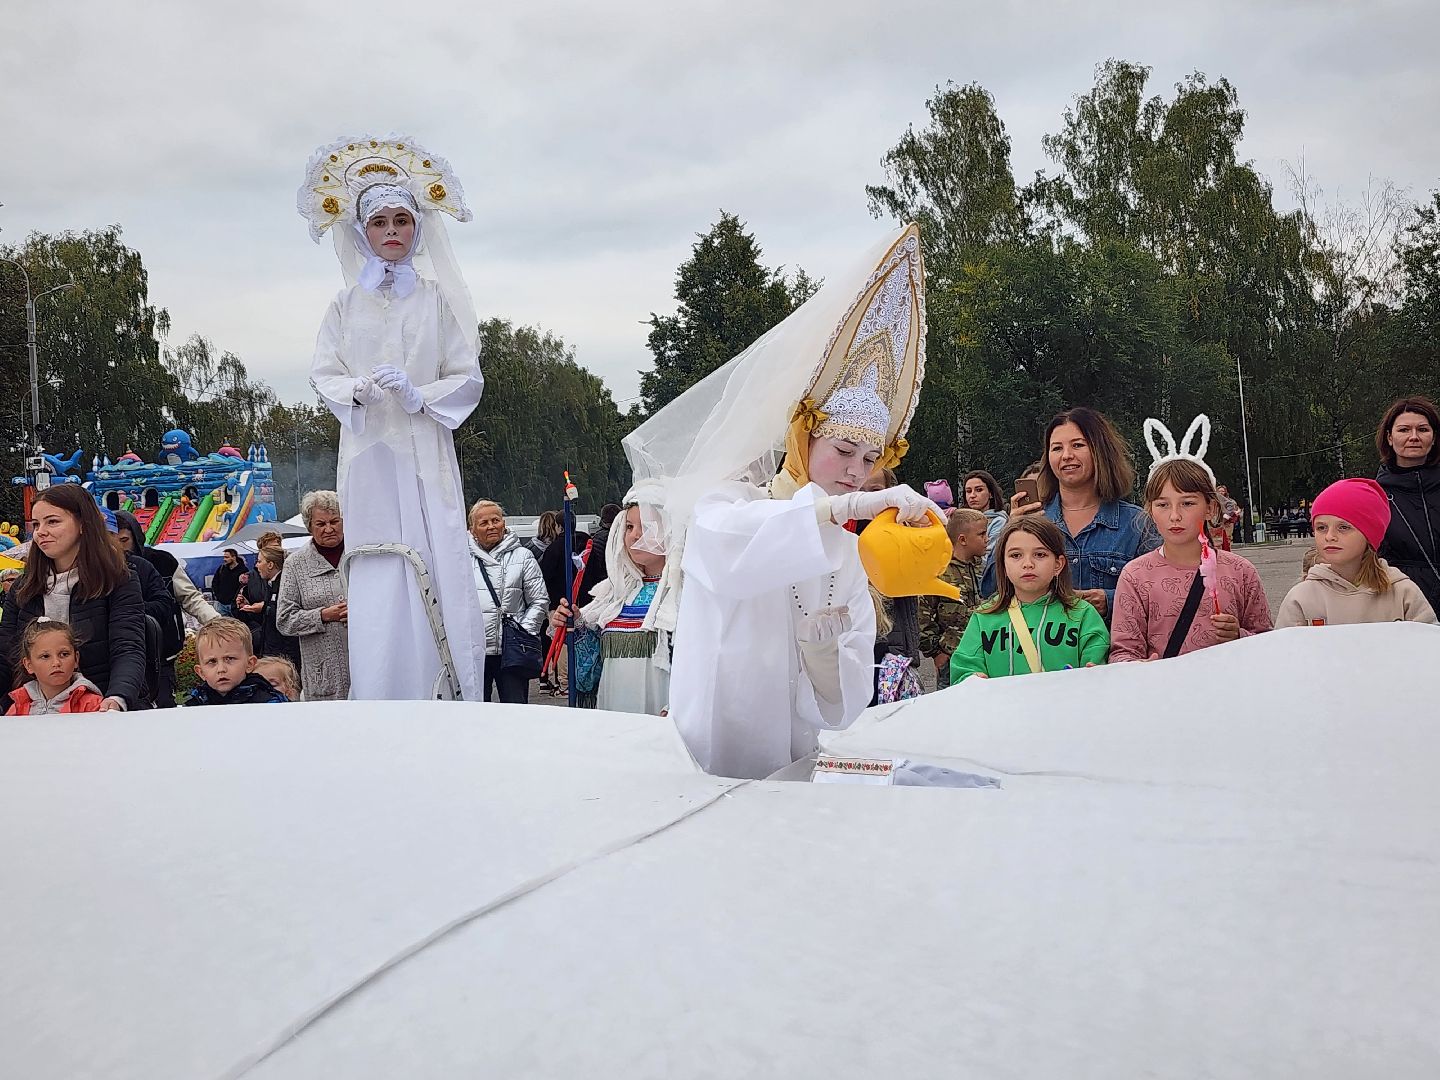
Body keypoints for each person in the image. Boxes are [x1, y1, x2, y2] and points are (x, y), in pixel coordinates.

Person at [626, 224, 936, 779]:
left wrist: (825, 668)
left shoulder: (845, 554)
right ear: (802, 439)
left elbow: (845, 700)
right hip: (710, 751)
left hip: (793, 761)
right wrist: (842, 510)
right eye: (843, 450)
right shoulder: (729, 502)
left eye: (869, 461)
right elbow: (726, 545)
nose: (856, 473)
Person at [301, 134, 488, 701]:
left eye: (402, 220)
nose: (390, 232)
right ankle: (381, 688)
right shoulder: (344, 303)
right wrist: (354, 390)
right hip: (367, 454)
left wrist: (420, 397)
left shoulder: (435, 300)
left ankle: (444, 682)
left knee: (432, 550)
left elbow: (467, 374)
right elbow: (322, 369)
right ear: (361, 229)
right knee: (378, 562)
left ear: (417, 227)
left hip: (423, 449)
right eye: (379, 221)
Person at [1110, 442, 1272, 662]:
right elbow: (1123, 651)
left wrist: (1238, 635)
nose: (1174, 515)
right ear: (1150, 509)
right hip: (1164, 693)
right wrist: (1138, 667)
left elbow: (1268, 644)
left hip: (1228, 691)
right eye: (1163, 505)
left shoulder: (1241, 572)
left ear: (1210, 508)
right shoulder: (1136, 576)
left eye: (1187, 503)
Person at [998, 407, 1157, 621]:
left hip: (1114, 651)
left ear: (1100, 451)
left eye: (1078, 445)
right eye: (1056, 448)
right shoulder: (1031, 520)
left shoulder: (1138, 524)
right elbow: (991, 589)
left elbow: (1160, 594)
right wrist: (1010, 531)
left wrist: (1111, 600)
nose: (1066, 456)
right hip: (1038, 651)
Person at [0, 484, 145, 710]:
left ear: (82, 525)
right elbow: (5, 656)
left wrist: (118, 697)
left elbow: (128, 647)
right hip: (32, 714)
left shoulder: (119, 581)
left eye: (52, 521)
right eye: (37, 524)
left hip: (98, 710)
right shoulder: (22, 589)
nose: (41, 532)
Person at [551, 482, 674, 715]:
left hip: (661, 714)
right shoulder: (613, 594)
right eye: (629, 526)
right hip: (615, 710)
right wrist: (575, 625)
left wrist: (679, 707)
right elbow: (590, 675)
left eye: (646, 527)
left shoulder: (683, 594)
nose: (635, 535)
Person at [950, 516, 1109, 683]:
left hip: (1065, 707)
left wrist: (1095, 675)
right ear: (1003, 565)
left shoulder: (1083, 615)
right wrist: (971, 681)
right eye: (1016, 555)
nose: (1028, 563)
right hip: (1003, 708)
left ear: (1058, 564)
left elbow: (1097, 671)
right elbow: (963, 668)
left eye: (1040, 554)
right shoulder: (984, 617)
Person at [1276, 478, 1437, 628]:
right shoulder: (1301, 598)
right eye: (1321, 527)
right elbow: (1283, 654)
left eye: (1344, 527)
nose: (1330, 536)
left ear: (1370, 534)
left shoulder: (1403, 593)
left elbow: (1429, 648)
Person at [469, 500, 548, 704]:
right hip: (475, 651)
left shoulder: (523, 556)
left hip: (513, 650)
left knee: (516, 713)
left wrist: (524, 630)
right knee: (473, 713)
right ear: (472, 529)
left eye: (495, 520)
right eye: (484, 522)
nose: (491, 526)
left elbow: (539, 600)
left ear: (504, 523)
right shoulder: (461, 560)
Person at [275, 490, 350, 701]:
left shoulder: (361, 555)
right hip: (324, 675)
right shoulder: (295, 564)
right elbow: (284, 620)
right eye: (320, 524)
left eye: (335, 521)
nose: (329, 529)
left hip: (368, 665)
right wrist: (323, 615)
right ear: (309, 526)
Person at [1375, 396, 1440, 616]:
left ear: (1434, 437)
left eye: (1423, 429)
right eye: (1404, 430)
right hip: (1401, 605)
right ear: (1390, 437)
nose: (1414, 437)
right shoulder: (1375, 496)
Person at [918, 507, 989, 689]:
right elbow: (923, 615)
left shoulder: (982, 568)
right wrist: (935, 653)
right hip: (952, 656)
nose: (987, 540)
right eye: (981, 534)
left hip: (981, 652)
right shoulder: (939, 571)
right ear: (963, 539)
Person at [181, 617, 290, 706]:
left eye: (229, 659)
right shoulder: (193, 708)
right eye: (212, 661)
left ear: (249, 664)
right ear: (200, 672)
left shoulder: (270, 704)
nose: (221, 669)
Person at [5, 619, 105, 715]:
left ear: (76, 659)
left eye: (64, 654)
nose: (56, 663)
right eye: (45, 656)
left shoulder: (93, 706)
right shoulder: (17, 708)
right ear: (28, 665)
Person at [253, 546, 301, 670]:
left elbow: (286, 615)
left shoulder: (285, 584)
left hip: (284, 654)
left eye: (259, 561)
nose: (256, 566)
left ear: (270, 565)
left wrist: (264, 608)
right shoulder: (271, 584)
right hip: (273, 649)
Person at [961, 469, 1008, 554]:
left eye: (979, 490)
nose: (972, 495)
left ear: (990, 493)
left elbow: (990, 555)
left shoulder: (998, 522)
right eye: (968, 491)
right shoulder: (960, 521)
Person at [210, 549, 244, 615]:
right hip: (221, 604)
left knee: (236, 624)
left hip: (234, 605)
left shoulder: (243, 570)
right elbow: (215, 582)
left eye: (227, 557)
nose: (224, 559)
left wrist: (236, 600)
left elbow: (244, 587)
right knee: (224, 624)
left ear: (234, 557)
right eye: (224, 557)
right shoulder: (222, 568)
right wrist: (218, 596)